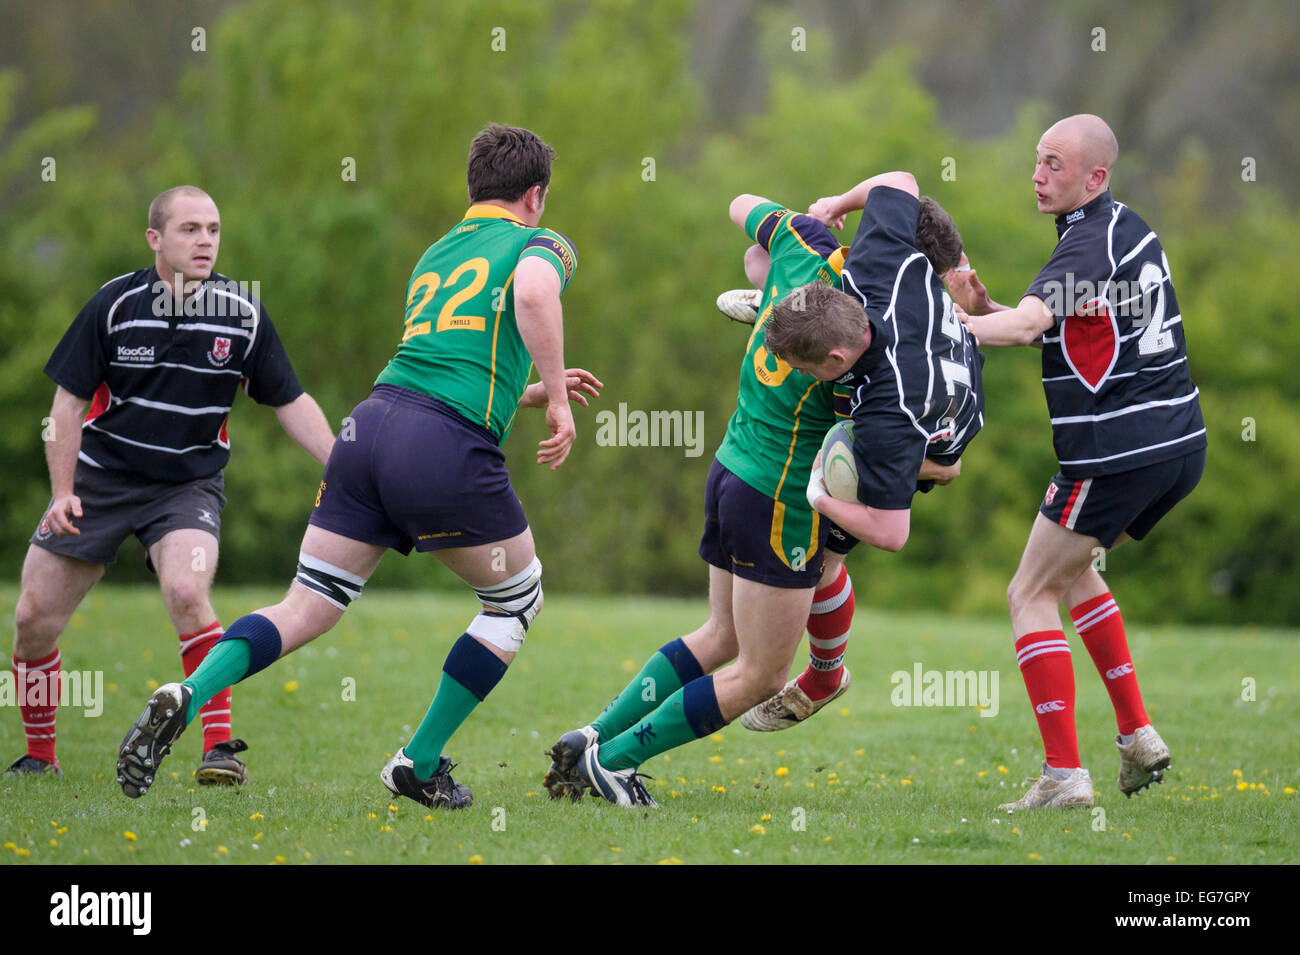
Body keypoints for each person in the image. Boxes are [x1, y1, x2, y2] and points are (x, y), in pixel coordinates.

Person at [115, 124, 599, 811]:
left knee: (306, 602)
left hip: (368, 426)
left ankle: (189, 691)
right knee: (516, 599)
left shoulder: (437, 251)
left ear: (471, 190)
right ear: (535, 196)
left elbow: (447, 357)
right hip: (439, 444)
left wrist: (523, 390)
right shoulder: (543, 241)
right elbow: (531, 297)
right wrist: (556, 399)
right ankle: (418, 760)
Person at [543, 171, 971, 807]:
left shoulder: (803, 245)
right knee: (762, 673)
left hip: (731, 467)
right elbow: (919, 468)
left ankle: (592, 737)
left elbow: (742, 204)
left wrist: (820, 210)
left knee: (719, 636)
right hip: (778, 499)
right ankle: (615, 761)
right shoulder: (868, 350)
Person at [6, 186, 334, 785]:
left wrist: (340, 464)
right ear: (155, 239)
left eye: (212, 228)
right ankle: (41, 758)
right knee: (31, 619)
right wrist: (61, 491)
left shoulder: (243, 313)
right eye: (189, 229)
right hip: (98, 480)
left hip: (188, 486)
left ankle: (218, 751)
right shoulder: (114, 305)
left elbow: (289, 400)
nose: (205, 240)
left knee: (187, 590)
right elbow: (67, 403)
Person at [951, 114, 1205, 810]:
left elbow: (1034, 323)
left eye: (1055, 164)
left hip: (1117, 453)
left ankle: (1064, 774)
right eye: (1037, 160)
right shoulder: (1126, 228)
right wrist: (992, 310)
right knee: (1071, 571)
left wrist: (943, 330)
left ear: (1095, 177)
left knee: (1027, 593)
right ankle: (1136, 735)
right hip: (1178, 449)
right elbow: (1071, 331)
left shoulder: (1089, 237)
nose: (1038, 174)